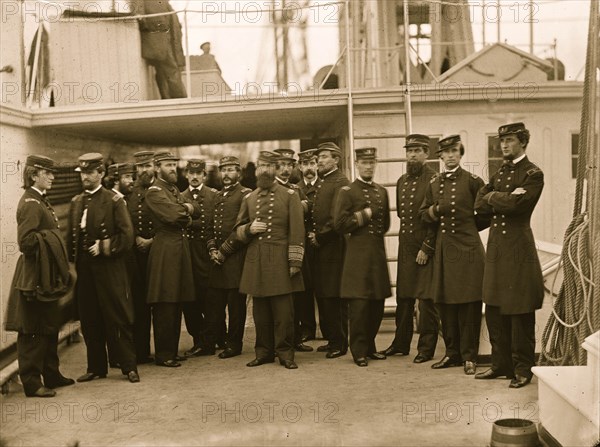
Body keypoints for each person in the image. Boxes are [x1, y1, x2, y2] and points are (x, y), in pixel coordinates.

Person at [474, 122, 544, 389]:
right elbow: (479, 203)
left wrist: (493, 196)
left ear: (523, 142)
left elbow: (519, 205)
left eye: (511, 140)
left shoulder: (533, 173)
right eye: (501, 141)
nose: (504, 145)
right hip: (497, 251)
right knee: (494, 309)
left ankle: (523, 369)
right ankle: (500, 364)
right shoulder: (501, 171)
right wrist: (499, 196)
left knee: (520, 311)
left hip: (518, 250)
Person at [225, 151, 305, 369]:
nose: (265, 170)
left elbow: (297, 230)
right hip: (257, 260)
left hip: (280, 258)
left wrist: (295, 261)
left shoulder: (290, 195)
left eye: (269, 166)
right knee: (260, 313)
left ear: (276, 169)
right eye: (261, 165)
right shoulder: (249, 198)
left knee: (284, 313)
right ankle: (264, 352)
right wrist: (249, 229)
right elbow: (236, 229)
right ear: (256, 169)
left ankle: (285, 353)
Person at [4, 155, 75, 397]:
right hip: (34, 277)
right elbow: (26, 242)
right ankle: (33, 384)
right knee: (33, 328)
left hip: (44, 275)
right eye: (48, 173)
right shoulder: (31, 203)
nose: (53, 177)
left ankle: (52, 375)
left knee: (49, 324)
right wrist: (53, 239)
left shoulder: (39, 200)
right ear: (34, 175)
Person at [68, 153, 139, 384]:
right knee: (90, 318)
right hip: (85, 270)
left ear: (101, 174)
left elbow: (127, 236)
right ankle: (96, 367)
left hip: (110, 267)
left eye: (90, 173)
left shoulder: (114, 200)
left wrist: (104, 246)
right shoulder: (77, 202)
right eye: (83, 173)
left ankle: (129, 366)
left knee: (117, 315)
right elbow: (72, 237)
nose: (86, 177)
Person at [419, 135, 487, 376]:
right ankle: (452, 353)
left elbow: (485, 214)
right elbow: (423, 215)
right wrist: (435, 210)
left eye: (454, 151)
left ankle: (470, 357)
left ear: (461, 153)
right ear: (440, 156)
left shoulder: (473, 181)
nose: (449, 156)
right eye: (445, 152)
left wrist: (467, 230)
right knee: (445, 304)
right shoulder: (434, 183)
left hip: (468, 251)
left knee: (469, 304)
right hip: (445, 250)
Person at [379, 134, 439, 363]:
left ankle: (426, 348)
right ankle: (400, 344)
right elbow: (403, 216)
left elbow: (435, 219)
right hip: (406, 246)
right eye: (409, 151)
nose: (412, 155)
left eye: (417, 150)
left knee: (426, 301)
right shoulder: (402, 181)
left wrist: (427, 247)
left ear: (426, 153)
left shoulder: (434, 180)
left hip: (425, 246)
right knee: (404, 297)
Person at [334, 147, 391, 367]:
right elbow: (339, 225)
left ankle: (370, 346)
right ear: (356, 164)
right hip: (357, 256)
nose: (368, 166)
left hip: (376, 254)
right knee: (359, 306)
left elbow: (385, 224)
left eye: (372, 162)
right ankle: (358, 350)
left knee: (377, 303)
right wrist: (363, 216)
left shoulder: (382, 191)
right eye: (364, 163)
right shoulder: (347, 191)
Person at [144, 151, 200, 367]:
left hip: (178, 250)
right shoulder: (154, 191)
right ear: (157, 168)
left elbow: (194, 211)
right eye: (167, 165)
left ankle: (171, 350)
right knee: (165, 303)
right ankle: (164, 353)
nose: (172, 169)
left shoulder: (173, 189)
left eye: (173, 165)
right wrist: (186, 210)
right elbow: (174, 215)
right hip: (165, 252)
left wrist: (185, 209)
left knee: (176, 301)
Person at [207, 156, 253, 359]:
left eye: (231, 170)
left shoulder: (246, 195)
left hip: (235, 259)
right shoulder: (217, 196)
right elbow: (210, 226)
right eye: (223, 170)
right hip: (217, 260)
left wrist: (223, 251)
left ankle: (234, 344)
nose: (226, 174)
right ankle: (221, 339)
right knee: (215, 306)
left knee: (236, 308)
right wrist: (211, 249)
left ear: (239, 173)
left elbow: (242, 229)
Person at [310, 142, 350, 358]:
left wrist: (320, 237)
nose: (320, 161)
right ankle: (333, 338)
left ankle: (340, 343)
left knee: (335, 295)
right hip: (323, 248)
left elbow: (339, 219)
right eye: (319, 157)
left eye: (325, 156)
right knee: (325, 294)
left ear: (336, 159)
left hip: (334, 246)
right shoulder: (325, 181)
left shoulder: (340, 182)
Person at [273, 148, 312, 353]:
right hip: (278, 250)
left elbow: (308, 207)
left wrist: (302, 205)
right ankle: (279, 341)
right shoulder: (270, 190)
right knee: (280, 299)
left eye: (289, 165)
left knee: (296, 297)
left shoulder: (295, 189)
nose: (286, 169)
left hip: (296, 248)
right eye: (281, 165)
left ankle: (295, 339)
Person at [181, 159, 218, 357]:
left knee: (210, 299)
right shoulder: (179, 197)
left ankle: (211, 340)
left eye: (199, 173)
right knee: (190, 300)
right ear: (186, 175)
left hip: (206, 252)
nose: (195, 177)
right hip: (187, 254)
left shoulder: (214, 195)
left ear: (204, 175)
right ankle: (198, 339)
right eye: (191, 173)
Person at [126, 151, 156, 364]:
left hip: (158, 252)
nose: (144, 170)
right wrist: (136, 237)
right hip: (137, 256)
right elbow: (126, 221)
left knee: (161, 303)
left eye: (148, 166)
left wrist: (151, 240)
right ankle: (142, 351)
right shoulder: (131, 193)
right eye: (140, 167)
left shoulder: (163, 188)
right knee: (139, 303)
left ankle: (165, 350)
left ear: (154, 167)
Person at [295, 148, 326, 342]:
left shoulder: (324, 187)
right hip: (303, 245)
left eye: (312, 164)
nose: (309, 168)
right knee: (304, 289)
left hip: (322, 245)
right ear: (299, 167)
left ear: (317, 165)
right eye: (305, 164)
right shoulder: (295, 189)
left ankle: (327, 329)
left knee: (323, 287)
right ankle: (307, 329)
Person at [139, 0, 187, 99]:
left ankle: (168, 97)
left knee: (164, 71)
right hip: (157, 41)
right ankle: (179, 98)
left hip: (169, 42)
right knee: (171, 69)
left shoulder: (166, 4)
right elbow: (141, 18)